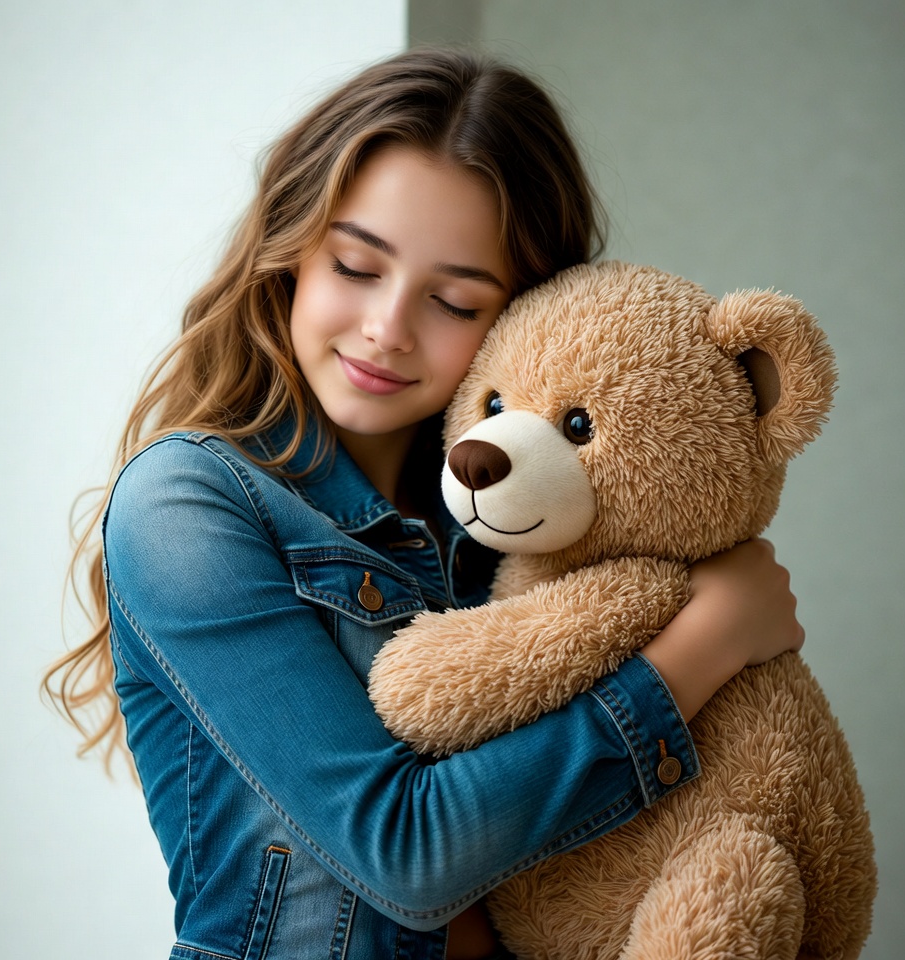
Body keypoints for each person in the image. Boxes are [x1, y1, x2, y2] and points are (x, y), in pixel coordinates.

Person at [44, 48, 804, 960]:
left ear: (521, 318)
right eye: (356, 267)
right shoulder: (187, 505)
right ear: (291, 254)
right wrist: (704, 647)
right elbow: (404, 857)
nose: (387, 328)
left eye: (451, 300)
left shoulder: (523, 518)